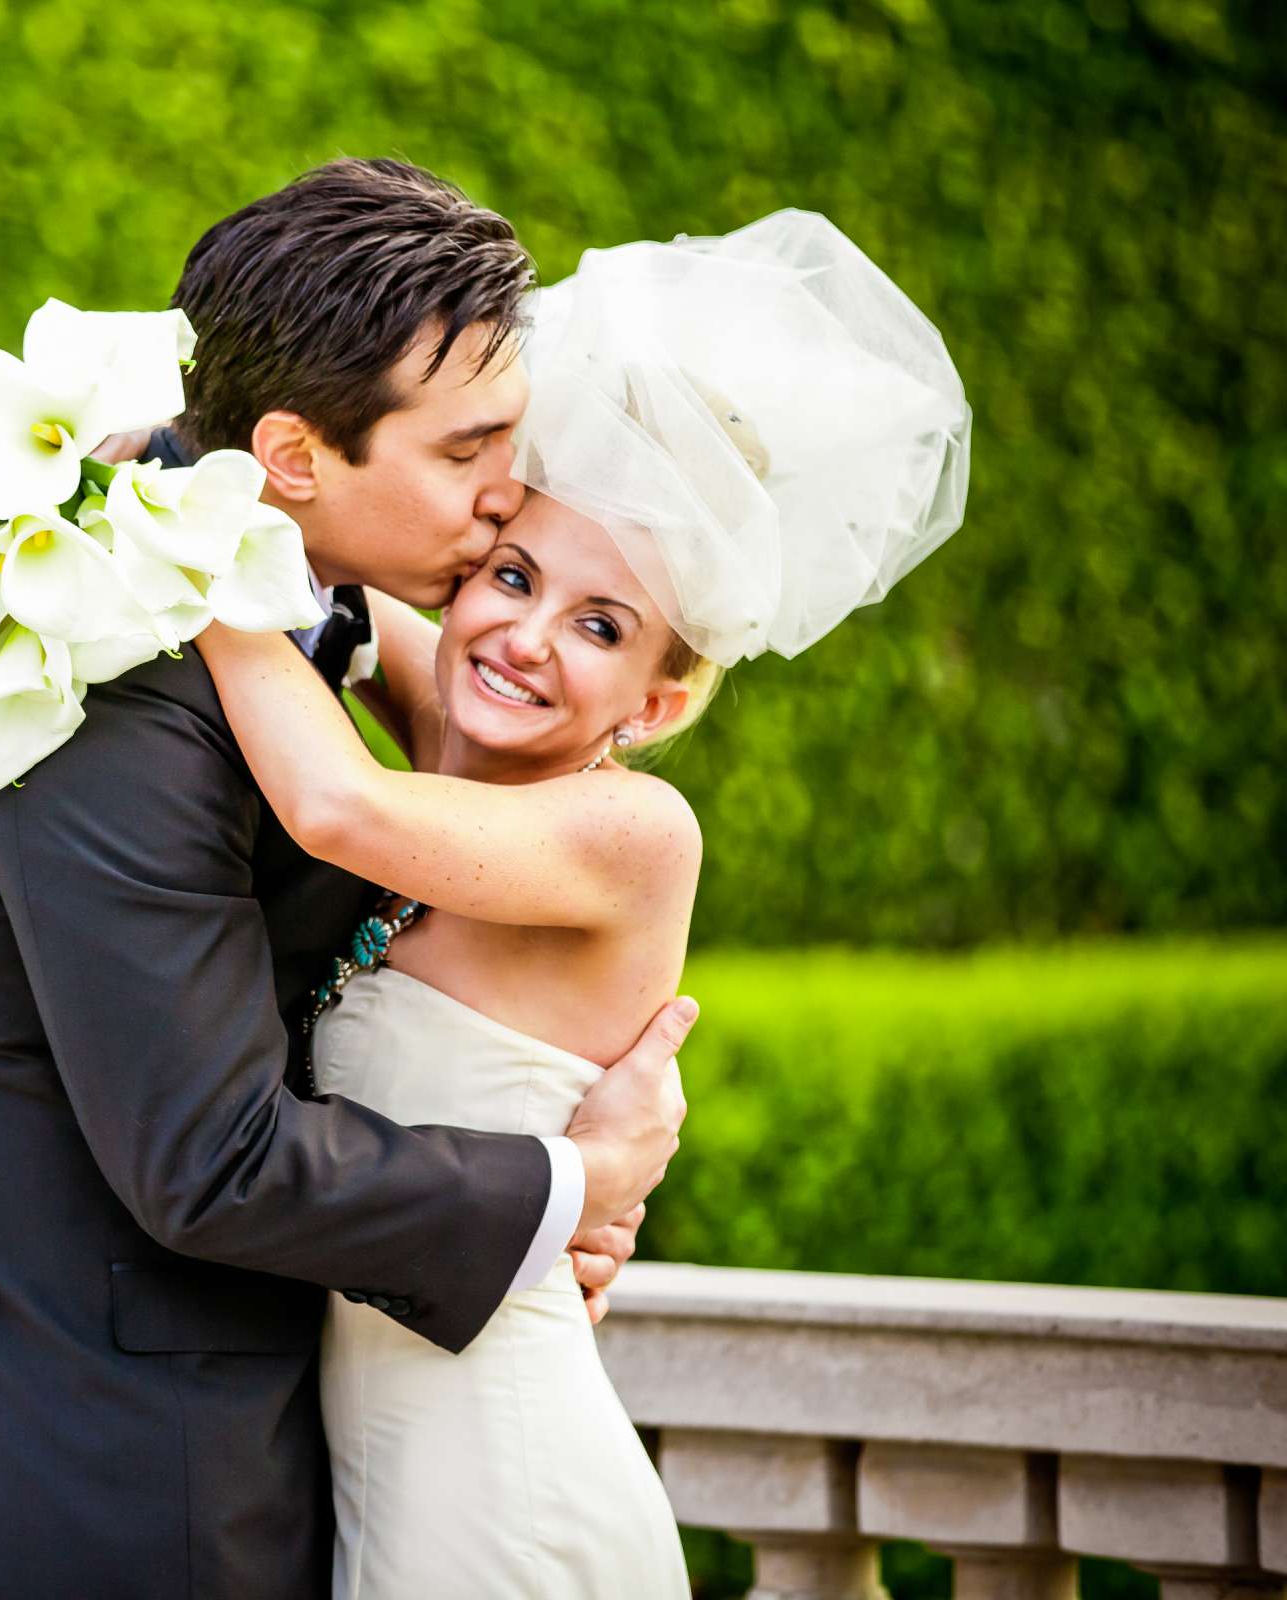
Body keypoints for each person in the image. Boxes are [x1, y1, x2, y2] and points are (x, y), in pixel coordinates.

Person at [0, 157, 694, 1599]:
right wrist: (565, 1183)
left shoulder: (287, 622)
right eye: (468, 451)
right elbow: (209, 1160)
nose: (508, 501)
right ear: (294, 460)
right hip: (104, 1485)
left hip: (254, 1452)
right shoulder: (96, 680)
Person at [195, 208, 971, 1597]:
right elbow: (359, 602)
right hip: (374, 1482)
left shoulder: (628, 832)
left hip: (504, 1495)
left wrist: (168, 540)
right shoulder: (470, 740)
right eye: (512, 575)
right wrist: (241, 444)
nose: (528, 637)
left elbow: (337, 808)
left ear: (660, 700)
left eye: (602, 627)